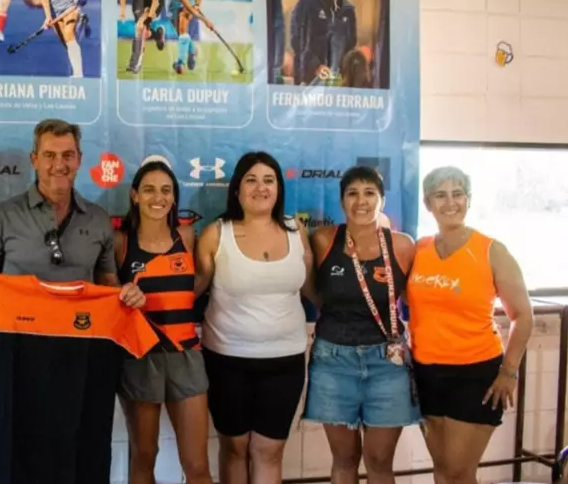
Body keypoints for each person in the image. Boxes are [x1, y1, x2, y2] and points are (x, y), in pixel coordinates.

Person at [0, 118, 146, 484]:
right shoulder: (1, 216)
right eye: (50, 155)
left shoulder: (99, 219)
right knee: (15, 461)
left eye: (68, 155)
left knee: (78, 459)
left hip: (81, 359)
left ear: (80, 159)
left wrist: (128, 294)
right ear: (34, 159)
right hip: (16, 357)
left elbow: (109, 285)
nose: (59, 164)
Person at [406, 166, 534, 484]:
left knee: (458, 472)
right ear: (428, 203)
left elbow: (523, 316)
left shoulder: (492, 251)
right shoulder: (418, 249)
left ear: (468, 199)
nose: (450, 203)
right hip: (425, 374)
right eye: (440, 195)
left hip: (475, 375)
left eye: (458, 194)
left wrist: (509, 371)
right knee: (442, 471)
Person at [195, 152, 314, 484]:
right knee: (234, 449)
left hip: (285, 363)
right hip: (226, 360)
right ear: (237, 190)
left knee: (269, 451)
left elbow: (312, 290)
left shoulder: (297, 231)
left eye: (268, 180)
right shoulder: (216, 234)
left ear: (278, 189)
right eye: (251, 180)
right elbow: (192, 290)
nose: (260, 187)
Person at [302, 166, 419, 484]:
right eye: (352, 193)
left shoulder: (402, 245)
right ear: (342, 201)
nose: (361, 201)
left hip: (387, 364)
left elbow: (418, 299)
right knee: (345, 459)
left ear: (382, 200)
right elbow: (310, 289)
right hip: (333, 361)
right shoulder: (323, 240)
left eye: (370, 193)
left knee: (380, 461)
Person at [114, 160, 212, 484]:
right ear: (135, 195)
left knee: (197, 465)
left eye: (166, 190)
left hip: (186, 355)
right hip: (140, 358)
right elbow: (108, 298)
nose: (158, 198)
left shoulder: (186, 236)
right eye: (149, 189)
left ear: (174, 197)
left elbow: (197, 284)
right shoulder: (120, 243)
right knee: (144, 457)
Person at [290, 0, 357, 85]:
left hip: (336, 80)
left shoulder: (348, 11)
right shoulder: (306, 3)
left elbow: (351, 44)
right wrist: (315, 66)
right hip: (308, 78)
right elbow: (296, 40)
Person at [34, 0, 100, 79]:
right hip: (55, 9)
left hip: (71, 4)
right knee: (68, 43)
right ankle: (82, 21)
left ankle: (78, 75)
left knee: (69, 34)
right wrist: (48, 16)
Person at [119, 0, 166, 74]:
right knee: (145, 32)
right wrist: (123, 9)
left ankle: (135, 63)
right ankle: (157, 34)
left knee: (139, 27)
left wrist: (149, 17)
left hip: (154, 2)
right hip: (139, 0)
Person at [168, 0, 214, 74]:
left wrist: (197, 5)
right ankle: (192, 50)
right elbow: (184, 2)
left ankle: (180, 63)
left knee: (183, 25)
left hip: (190, 4)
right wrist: (205, 20)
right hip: (175, 4)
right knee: (182, 35)